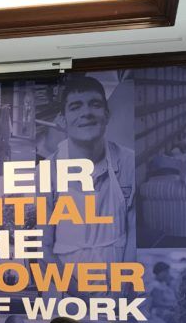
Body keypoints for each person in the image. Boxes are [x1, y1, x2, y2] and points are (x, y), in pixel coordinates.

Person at [42, 75, 136, 265]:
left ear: (107, 115)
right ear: (62, 120)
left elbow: (133, 234)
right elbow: (44, 249)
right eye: (76, 107)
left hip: (118, 288)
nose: (87, 112)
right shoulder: (46, 172)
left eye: (95, 104)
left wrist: (121, 287)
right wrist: (81, 295)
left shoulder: (128, 163)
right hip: (65, 290)